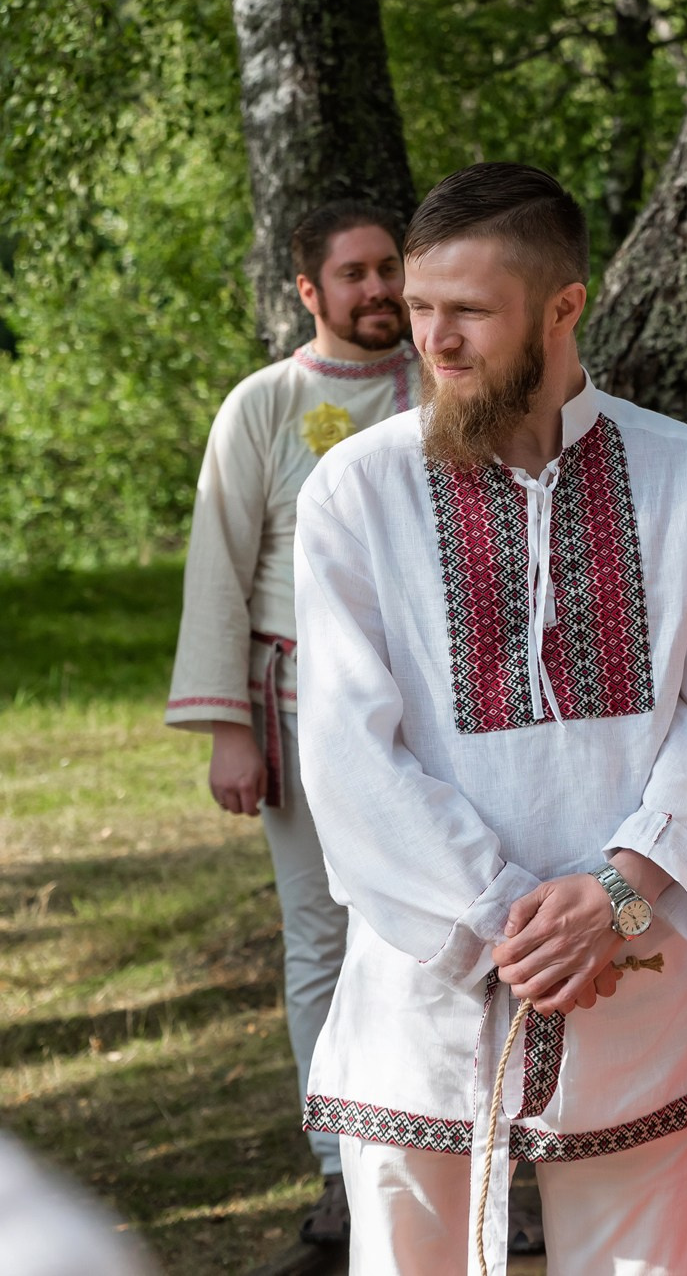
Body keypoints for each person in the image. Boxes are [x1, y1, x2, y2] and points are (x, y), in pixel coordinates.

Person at [293, 163, 687, 1276]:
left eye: (467, 310)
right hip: (429, 972)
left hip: (639, 964)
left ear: (565, 306)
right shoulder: (352, 492)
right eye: (420, 306)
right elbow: (346, 748)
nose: (433, 338)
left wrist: (615, 892)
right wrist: (515, 917)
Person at [164, 199, 417, 1245]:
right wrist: (230, 725)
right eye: (352, 274)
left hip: (424, 705)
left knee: (428, 927)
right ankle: (340, 1166)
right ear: (308, 290)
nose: (377, 291)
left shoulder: (437, 386)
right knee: (321, 934)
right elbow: (219, 565)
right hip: (298, 699)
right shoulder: (265, 404)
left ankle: (453, 1149)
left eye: (387, 268)